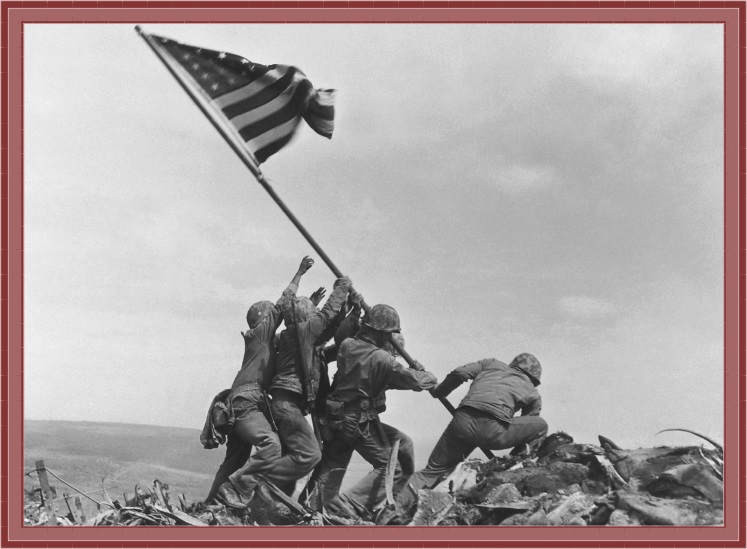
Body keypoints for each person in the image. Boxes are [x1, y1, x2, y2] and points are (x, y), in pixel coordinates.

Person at [207, 257, 317, 506]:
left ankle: (211, 505)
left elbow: (294, 329)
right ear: (263, 319)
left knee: (235, 460)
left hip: (240, 403)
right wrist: (299, 274)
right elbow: (283, 304)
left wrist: (311, 305)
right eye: (270, 317)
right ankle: (236, 490)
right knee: (271, 445)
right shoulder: (259, 334)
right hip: (247, 402)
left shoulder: (264, 343)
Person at [310, 304, 439, 518]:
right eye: (388, 333)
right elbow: (415, 381)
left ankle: (310, 506)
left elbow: (379, 377)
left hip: (336, 417)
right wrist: (427, 375)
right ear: (379, 332)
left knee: (333, 464)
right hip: (357, 420)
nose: (390, 338)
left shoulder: (348, 345)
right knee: (391, 467)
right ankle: (354, 505)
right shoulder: (382, 359)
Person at [385, 353, 548, 521]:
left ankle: (393, 511)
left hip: (461, 422)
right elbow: (528, 427)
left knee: (429, 473)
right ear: (533, 377)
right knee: (541, 426)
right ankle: (513, 469)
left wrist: (441, 391)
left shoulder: (491, 363)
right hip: (493, 431)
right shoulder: (533, 392)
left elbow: (460, 373)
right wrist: (516, 456)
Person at [261, 275, 354, 495]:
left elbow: (329, 328)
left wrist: (348, 308)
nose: (316, 315)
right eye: (313, 312)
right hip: (287, 405)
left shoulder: (294, 336)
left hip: (286, 405)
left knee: (292, 458)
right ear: (306, 316)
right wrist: (341, 288)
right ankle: (256, 480)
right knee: (311, 455)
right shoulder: (303, 332)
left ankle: (271, 501)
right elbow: (327, 314)